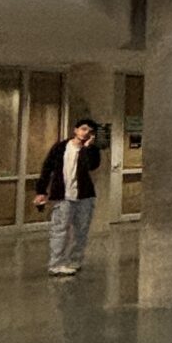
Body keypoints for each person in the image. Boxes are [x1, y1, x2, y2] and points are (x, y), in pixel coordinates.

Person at [34, 116, 105, 276]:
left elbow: (92, 166)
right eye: (84, 129)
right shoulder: (60, 148)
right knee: (59, 229)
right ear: (76, 130)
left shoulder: (92, 151)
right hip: (63, 195)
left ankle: (75, 261)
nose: (86, 133)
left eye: (90, 131)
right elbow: (47, 168)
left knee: (81, 230)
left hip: (84, 196)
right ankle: (56, 263)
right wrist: (41, 191)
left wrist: (87, 149)